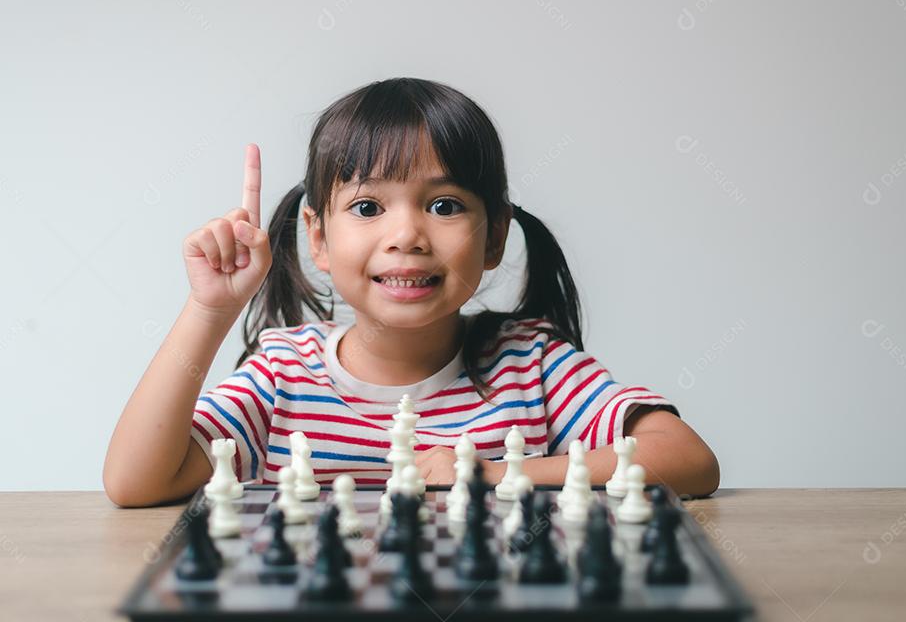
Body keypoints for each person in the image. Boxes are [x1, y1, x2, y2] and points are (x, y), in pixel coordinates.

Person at [103, 78, 719, 507]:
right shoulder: (283, 372)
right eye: (368, 206)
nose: (406, 236)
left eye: (444, 205)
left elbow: (688, 459)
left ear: (495, 236)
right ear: (317, 237)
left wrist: (499, 473)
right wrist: (210, 309)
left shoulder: (531, 365)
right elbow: (135, 482)